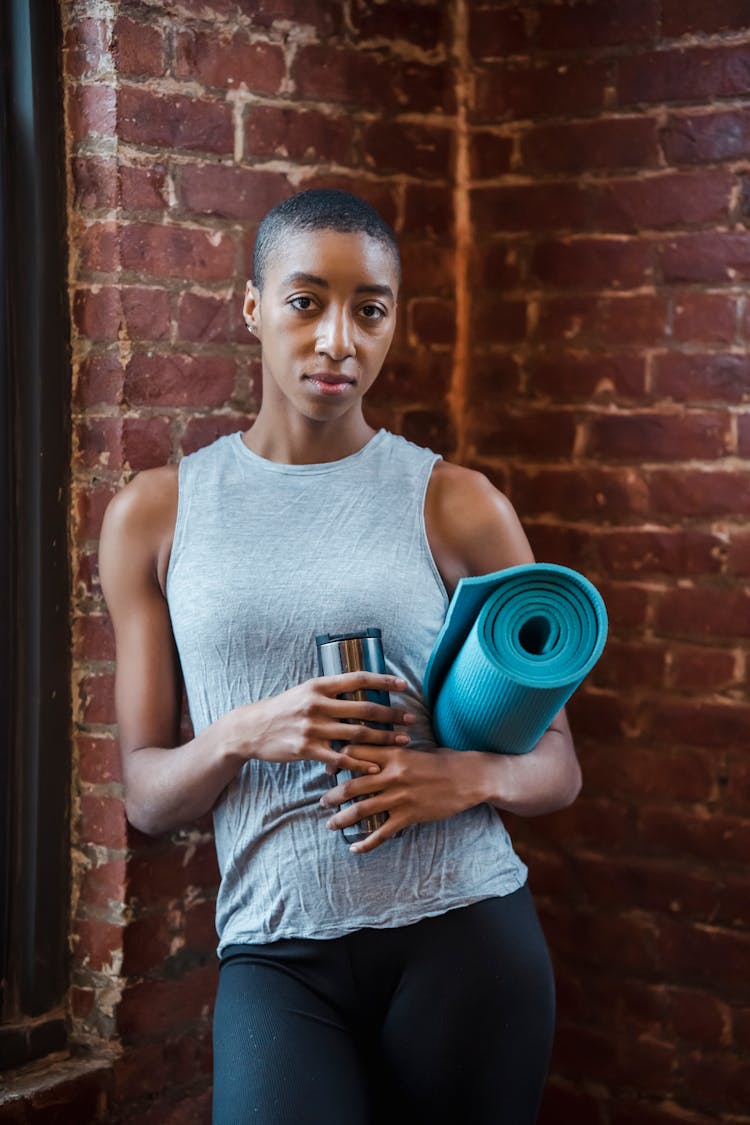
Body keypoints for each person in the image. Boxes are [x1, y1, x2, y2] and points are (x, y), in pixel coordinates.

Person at [99, 188, 581, 1125]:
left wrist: (465, 777)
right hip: (278, 956)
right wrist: (246, 730)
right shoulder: (156, 516)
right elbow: (148, 797)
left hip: (465, 934)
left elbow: (558, 763)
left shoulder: (457, 503)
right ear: (252, 307)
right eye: (305, 301)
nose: (338, 341)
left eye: (370, 310)